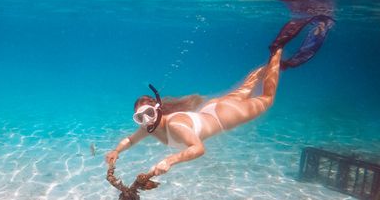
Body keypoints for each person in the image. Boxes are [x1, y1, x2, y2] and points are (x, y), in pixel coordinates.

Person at [105, 47, 284, 178]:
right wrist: (116, 151)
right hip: (213, 109)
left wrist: (170, 160)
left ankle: (278, 52)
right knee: (246, 87)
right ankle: (272, 64)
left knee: (267, 98)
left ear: (157, 109)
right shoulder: (148, 127)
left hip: (225, 116)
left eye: (149, 113)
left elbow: (198, 148)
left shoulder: (175, 125)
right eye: (140, 118)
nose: (146, 121)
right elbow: (130, 139)